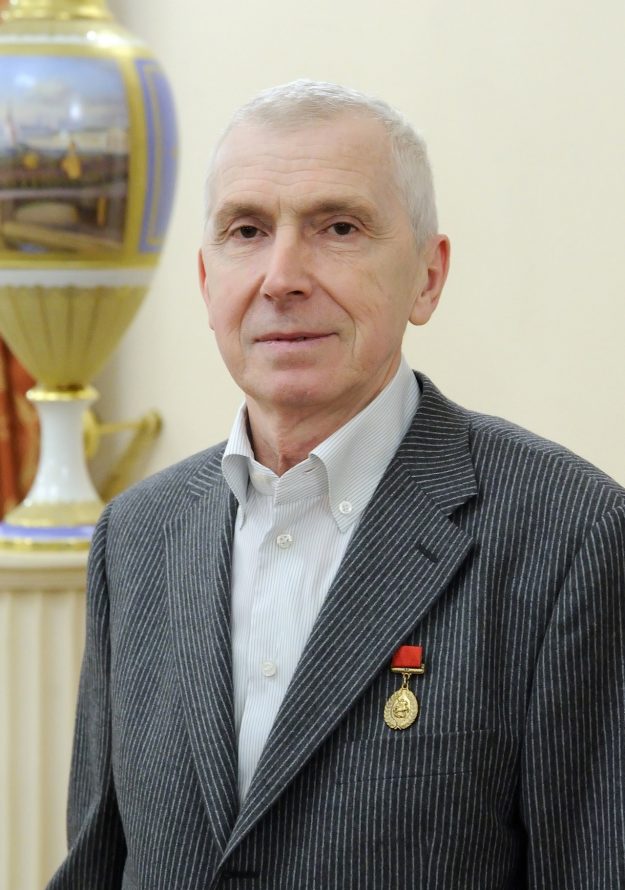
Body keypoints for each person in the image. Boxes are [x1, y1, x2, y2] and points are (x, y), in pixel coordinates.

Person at [47, 80, 625, 889]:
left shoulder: (569, 532)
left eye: (338, 228)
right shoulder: (136, 535)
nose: (281, 276)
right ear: (207, 281)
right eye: (247, 231)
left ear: (427, 276)